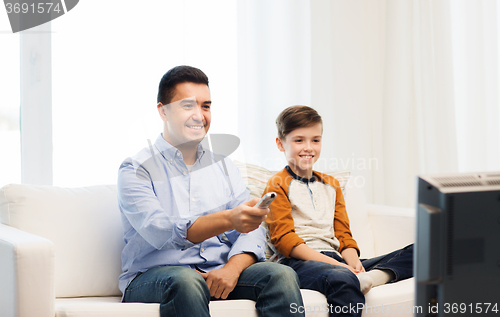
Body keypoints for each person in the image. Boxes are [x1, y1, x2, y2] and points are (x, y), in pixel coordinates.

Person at [117, 66, 305, 317]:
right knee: (186, 280)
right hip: (154, 276)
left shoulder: (224, 166)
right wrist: (229, 219)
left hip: (219, 268)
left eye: (205, 106)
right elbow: (160, 230)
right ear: (163, 111)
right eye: (188, 106)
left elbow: (253, 229)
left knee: (280, 274)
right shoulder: (136, 168)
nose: (199, 115)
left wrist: (232, 269)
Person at [263, 105, 414, 317]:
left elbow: (343, 234)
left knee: (421, 252)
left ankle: (370, 277)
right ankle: (355, 278)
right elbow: (285, 240)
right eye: (299, 140)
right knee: (341, 279)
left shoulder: (332, 184)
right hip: (299, 263)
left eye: (315, 140)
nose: (308, 147)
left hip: (336, 259)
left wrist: (352, 264)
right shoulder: (277, 184)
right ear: (281, 143)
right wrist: (339, 267)